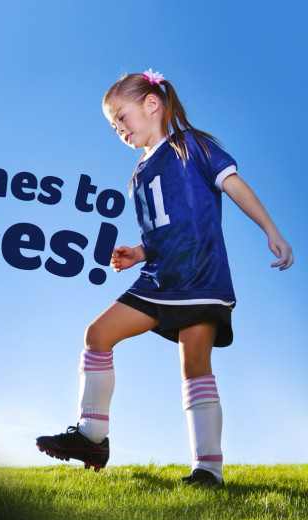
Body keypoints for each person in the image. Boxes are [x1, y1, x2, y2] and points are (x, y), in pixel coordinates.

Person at [35, 69, 294, 486]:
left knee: (195, 367)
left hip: (199, 277)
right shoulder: (137, 174)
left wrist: (271, 230)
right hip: (158, 278)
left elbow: (235, 186)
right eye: (112, 124)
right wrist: (138, 253)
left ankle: (208, 469)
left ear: (151, 104)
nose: (118, 128)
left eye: (122, 116)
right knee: (97, 335)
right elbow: (161, 229)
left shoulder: (191, 146)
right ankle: (92, 437)